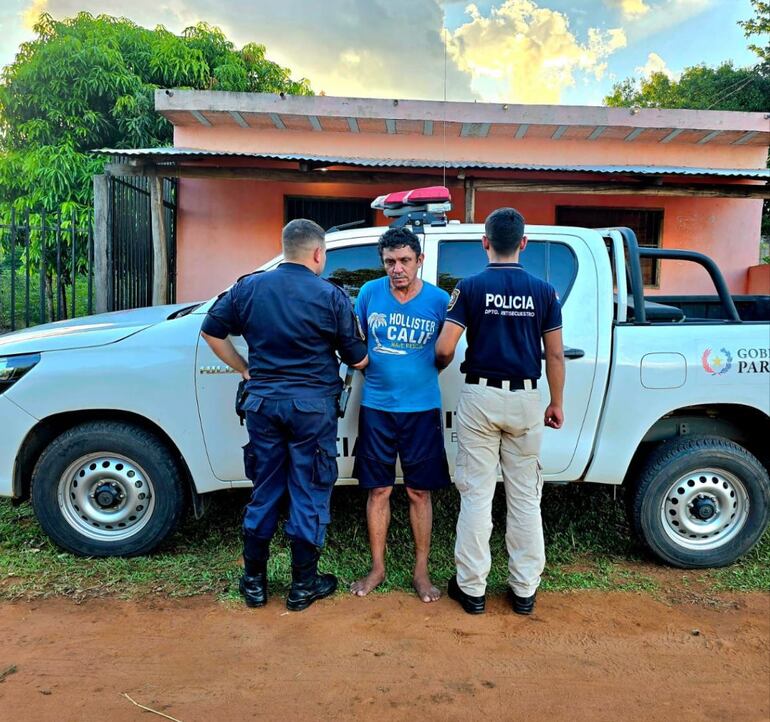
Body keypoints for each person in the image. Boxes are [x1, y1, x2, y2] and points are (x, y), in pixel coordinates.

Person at [201, 219, 368, 612]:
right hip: (311, 410)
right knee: (309, 491)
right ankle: (302, 587)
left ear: (285, 247)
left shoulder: (249, 287)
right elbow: (358, 358)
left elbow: (211, 331)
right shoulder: (331, 296)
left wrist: (243, 367)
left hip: (262, 405)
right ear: (318, 253)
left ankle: (254, 584)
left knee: (266, 490)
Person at [435, 208, 565, 616]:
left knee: (477, 493)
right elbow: (555, 353)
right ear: (523, 243)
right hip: (528, 398)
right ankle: (524, 590)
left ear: (485, 242)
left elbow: (444, 348)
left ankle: (472, 590)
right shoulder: (544, 291)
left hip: (481, 396)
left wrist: (438, 366)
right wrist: (556, 402)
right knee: (526, 496)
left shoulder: (469, 288)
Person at [350, 227, 451, 603]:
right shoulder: (368, 294)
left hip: (421, 408)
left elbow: (445, 351)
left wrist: (421, 376)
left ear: (419, 261)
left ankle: (420, 571)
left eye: (405, 260)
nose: (397, 269)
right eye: (390, 261)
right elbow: (358, 345)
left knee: (418, 491)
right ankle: (378, 567)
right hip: (376, 407)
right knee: (378, 489)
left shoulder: (439, 301)